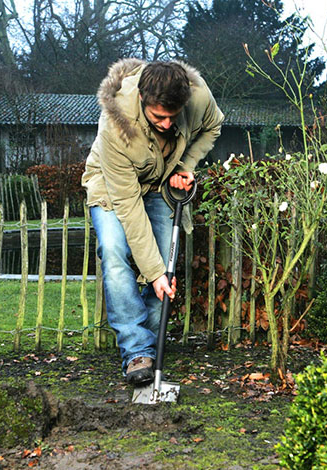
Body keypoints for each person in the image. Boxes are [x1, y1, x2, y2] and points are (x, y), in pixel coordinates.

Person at [82, 59, 224, 385]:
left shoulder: (197, 96)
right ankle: (137, 352)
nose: (166, 123)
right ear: (144, 100)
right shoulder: (115, 126)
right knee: (115, 251)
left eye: (173, 116)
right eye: (158, 116)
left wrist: (184, 167)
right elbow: (129, 207)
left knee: (166, 267)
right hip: (113, 187)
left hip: (160, 183)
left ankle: (148, 340)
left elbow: (214, 124)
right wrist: (153, 272)